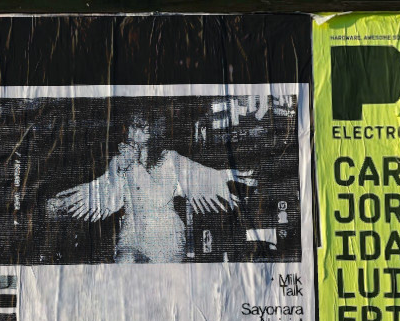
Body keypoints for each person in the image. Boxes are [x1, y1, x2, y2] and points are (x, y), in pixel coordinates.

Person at [45, 111, 256, 263]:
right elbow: (106, 192)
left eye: (141, 127)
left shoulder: (169, 159)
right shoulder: (119, 161)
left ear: (153, 132)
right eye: (132, 127)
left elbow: (159, 197)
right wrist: (66, 202)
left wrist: (135, 165)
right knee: (124, 267)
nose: (133, 132)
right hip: (131, 236)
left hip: (166, 238)